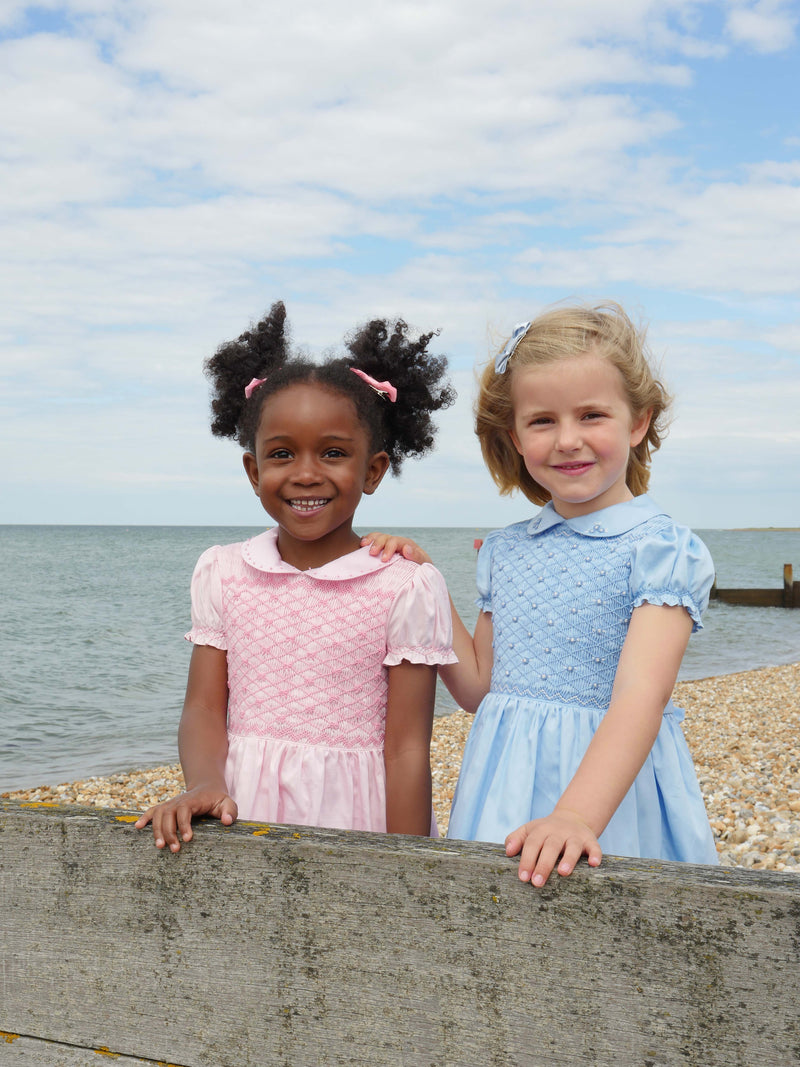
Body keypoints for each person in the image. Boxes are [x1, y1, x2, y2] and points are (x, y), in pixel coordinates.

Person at [365, 302, 719, 886]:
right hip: (506, 782)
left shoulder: (659, 550)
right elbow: (480, 688)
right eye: (543, 421)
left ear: (637, 422)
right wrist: (424, 582)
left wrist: (576, 815)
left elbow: (641, 696)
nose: (568, 440)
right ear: (516, 436)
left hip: (608, 792)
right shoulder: (505, 550)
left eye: (592, 415)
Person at [136, 301, 457, 851]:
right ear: (254, 471)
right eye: (282, 454)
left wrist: (407, 869)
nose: (306, 473)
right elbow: (205, 707)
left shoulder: (402, 585)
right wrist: (205, 782)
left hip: (358, 824)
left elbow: (407, 749)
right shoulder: (223, 572)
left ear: (373, 470)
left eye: (333, 453)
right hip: (240, 811)